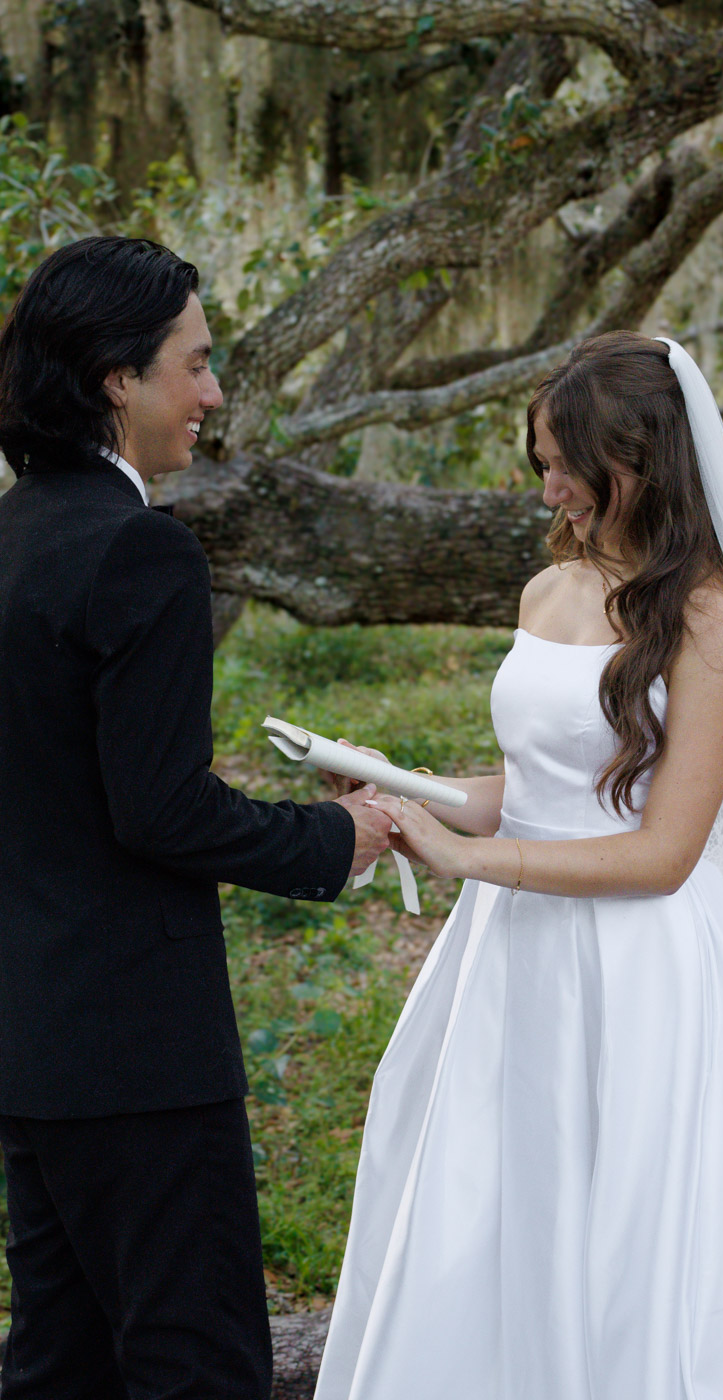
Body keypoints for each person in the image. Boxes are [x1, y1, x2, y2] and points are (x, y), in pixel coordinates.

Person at [314, 331, 723, 1399]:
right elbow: (534, 789)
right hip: (511, 954)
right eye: (541, 461)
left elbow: (663, 852)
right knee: (498, 1204)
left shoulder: (713, 625)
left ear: (637, 462)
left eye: (565, 465)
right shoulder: (552, 589)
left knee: (635, 1231)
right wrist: (405, 791)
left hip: (636, 965)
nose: (548, 488)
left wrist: (469, 858)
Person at [0, 236, 392, 1400]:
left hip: (31, 1039)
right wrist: (338, 838)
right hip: (140, 1048)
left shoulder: (12, 535)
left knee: (60, 1363)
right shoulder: (142, 548)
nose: (213, 394)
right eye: (197, 363)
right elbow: (161, 809)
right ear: (118, 379)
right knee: (197, 1362)